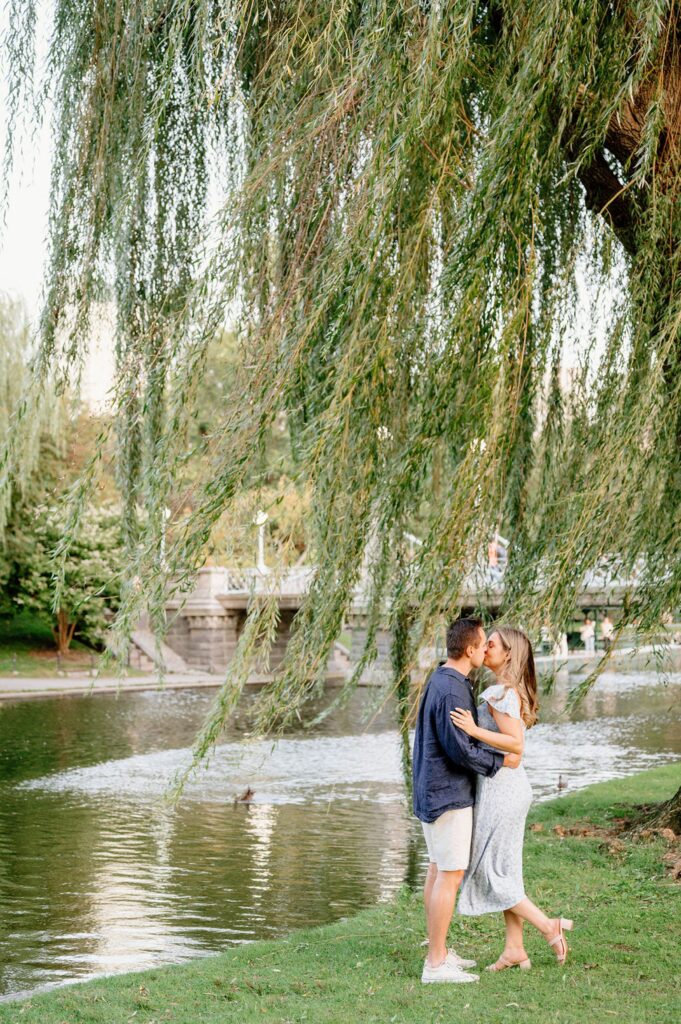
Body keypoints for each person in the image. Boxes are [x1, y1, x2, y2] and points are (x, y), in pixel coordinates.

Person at [450, 626, 574, 970]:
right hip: (508, 785)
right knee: (505, 869)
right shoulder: (507, 691)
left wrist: (474, 730)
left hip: (502, 789)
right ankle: (514, 948)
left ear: (508, 654)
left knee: (489, 870)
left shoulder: (500, 693)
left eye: (491, 644)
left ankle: (549, 926)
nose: (483, 647)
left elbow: (516, 743)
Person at [412, 617, 521, 984]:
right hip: (448, 794)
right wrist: (500, 761)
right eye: (483, 643)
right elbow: (459, 749)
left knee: (437, 869)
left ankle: (437, 951)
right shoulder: (452, 689)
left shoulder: (444, 679)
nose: (486, 649)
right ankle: (435, 965)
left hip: (434, 789)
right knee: (450, 874)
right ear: (471, 650)